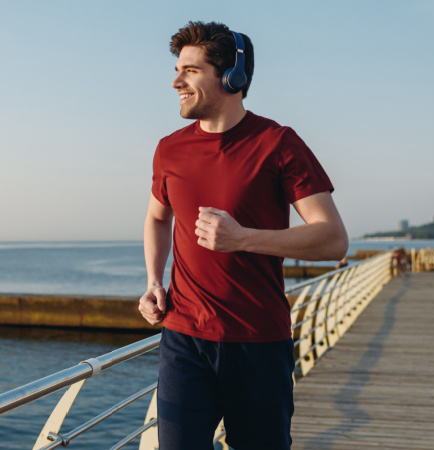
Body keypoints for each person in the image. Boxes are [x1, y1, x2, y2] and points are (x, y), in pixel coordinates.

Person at [139, 21, 348, 450]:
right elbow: (158, 217)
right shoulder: (169, 149)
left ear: (233, 76)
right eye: (177, 69)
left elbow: (333, 239)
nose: (176, 81)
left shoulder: (278, 143)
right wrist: (153, 282)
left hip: (259, 343)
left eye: (191, 71)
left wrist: (242, 238)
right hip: (184, 339)